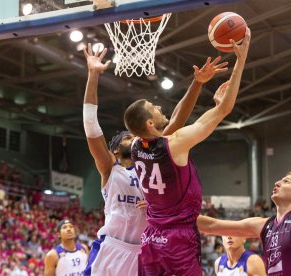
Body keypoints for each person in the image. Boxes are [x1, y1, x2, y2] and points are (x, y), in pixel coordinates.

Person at [82, 43, 228, 275]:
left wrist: (197, 83)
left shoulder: (152, 158)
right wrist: (93, 75)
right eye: (127, 137)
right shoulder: (110, 168)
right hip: (111, 248)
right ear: (116, 150)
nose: (135, 138)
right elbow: (91, 126)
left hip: (145, 249)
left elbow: (177, 120)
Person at [123, 28, 251, 275]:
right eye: (154, 108)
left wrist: (198, 82)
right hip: (177, 238)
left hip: (151, 238)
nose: (159, 107)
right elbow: (224, 109)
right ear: (150, 124)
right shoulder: (175, 143)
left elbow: (174, 123)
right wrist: (241, 60)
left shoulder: (138, 145)